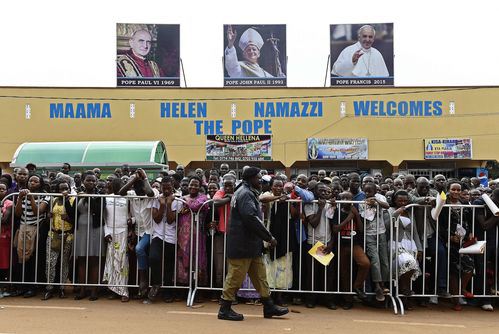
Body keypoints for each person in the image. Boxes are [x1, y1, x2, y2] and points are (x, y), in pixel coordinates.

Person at [218, 167, 288, 321]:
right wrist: (268, 237)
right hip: (242, 244)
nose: (261, 181)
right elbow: (251, 218)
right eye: (258, 178)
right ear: (250, 179)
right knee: (235, 277)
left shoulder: (245, 191)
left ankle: (268, 306)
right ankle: (225, 309)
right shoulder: (245, 194)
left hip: (250, 245)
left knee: (260, 276)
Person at [119, 168, 157, 299]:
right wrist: (134, 179)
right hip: (138, 231)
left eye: (140, 185)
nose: (138, 189)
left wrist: (144, 178)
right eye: (136, 186)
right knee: (141, 255)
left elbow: (151, 193)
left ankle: (144, 280)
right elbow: (121, 192)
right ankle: (143, 286)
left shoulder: (151, 192)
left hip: (151, 232)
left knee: (139, 249)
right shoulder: (132, 193)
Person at [260, 178, 298, 306]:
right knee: (269, 267)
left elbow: (294, 214)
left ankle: (279, 297)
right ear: (271, 187)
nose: (278, 188)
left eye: (280, 186)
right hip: (269, 233)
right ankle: (268, 297)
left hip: (285, 236)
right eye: (276, 186)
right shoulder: (268, 196)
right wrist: (277, 199)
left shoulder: (287, 198)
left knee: (283, 267)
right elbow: (262, 200)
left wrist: (289, 201)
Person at [147, 176, 182, 303]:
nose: (166, 190)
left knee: (169, 265)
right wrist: (162, 204)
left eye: (169, 187)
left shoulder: (178, 200)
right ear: (161, 187)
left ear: (172, 186)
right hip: (157, 235)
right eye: (164, 187)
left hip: (171, 236)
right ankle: (156, 284)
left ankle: (167, 291)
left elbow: (171, 219)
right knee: (153, 258)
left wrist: (168, 204)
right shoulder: (156, 199)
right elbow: (156, 218)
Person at [14, 174, 49, 297]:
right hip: (23, 229)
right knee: (22, 258)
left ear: (40, 183)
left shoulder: (45, 195)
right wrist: (19, 198)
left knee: (34, 259)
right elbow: (18, 213)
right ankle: (22, 286)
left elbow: (37, 211)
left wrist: (30, 198)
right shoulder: (21, 194)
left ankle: (32, 287)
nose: (32, 183)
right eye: (30, 181)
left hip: (37, 230)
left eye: (35, 181)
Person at [74, 171, 105, 301]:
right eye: (88, 180)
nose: (91, 182)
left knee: (94, 259)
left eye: (93, 180)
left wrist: (87, 197)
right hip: (81, 229)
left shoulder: (100, 194)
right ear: (83, 181)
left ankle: (94, 290)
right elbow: (72, 211)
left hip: (95, 229)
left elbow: (98, 210)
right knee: (81, 259)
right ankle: (82, 290)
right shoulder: (77, 194)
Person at [42, 180, 75, 300]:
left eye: (66, 188)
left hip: (67, 235)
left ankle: (61, 288)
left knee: (64, 262)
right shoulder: (53, 200)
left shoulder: (72, 200)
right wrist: (48, 216)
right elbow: (47, 220)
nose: (64, 191)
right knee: (50, 262)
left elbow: (76, 220)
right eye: (61, 189)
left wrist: (69, 219)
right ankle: (49, 288)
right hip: (53, 234)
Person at [177, 176, 208, 286]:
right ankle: (184, 287)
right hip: (183, 235)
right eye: (191, 184)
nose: (193, 187)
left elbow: (194, 206)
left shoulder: (203, 198)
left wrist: (185, 200)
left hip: (197, 235)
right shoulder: (182, 198)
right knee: (183, 260)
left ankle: (197, 288)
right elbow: (177, 212)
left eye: (196, 185)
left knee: (197, 260)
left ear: (200, 187)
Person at [103, 178, 130, 302]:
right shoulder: (107, 198)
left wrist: (132, 221)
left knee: (122, 261)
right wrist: (107, 232)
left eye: (121, 185)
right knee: (111, 261)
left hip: (123, 232)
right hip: (111, 233)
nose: (119, 188)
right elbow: (104, 218)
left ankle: (124, 290)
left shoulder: (128, 199)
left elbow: (132, 216)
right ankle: (113, 289)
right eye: (116, 186)